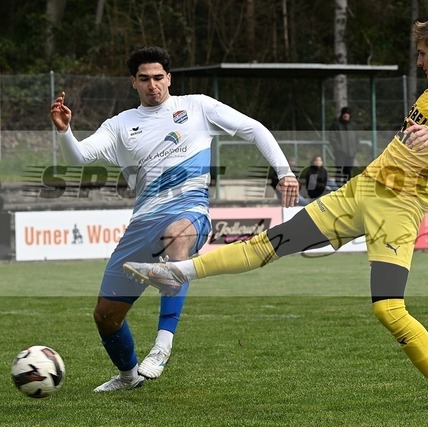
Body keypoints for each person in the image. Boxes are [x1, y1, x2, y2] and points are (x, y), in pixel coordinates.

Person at [123, 14, 428, 413]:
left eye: (423, 54)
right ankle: (177, 272)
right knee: (268, 243)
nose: (419, 62)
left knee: (388, 308)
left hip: (397, 211)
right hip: (360, 191)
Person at [50, 46, 299, 392]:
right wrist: (65, 131)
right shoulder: (120, 125)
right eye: (144, 79)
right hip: (142, 224)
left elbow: (254, 128)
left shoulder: (198, 107)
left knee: (176, 239)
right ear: (133, 82)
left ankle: (162, 346)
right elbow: (79, 158)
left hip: (189, 210)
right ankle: (128, 377)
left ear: (169, 78)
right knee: (106, 316)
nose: (152, 85)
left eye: (158, 77)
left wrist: (284, 171)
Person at [329, 106, 359, 185]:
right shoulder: (336, 125)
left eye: (348, 114)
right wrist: (339, 148)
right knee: (339, 170)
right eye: (344, 113)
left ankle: (348, 188)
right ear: (342, 115)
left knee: (348, 171)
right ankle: (338, 187)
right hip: (340, 154)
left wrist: (355, 149)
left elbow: (357, 138)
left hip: (350, 153)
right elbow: (332, 138)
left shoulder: (353, 126)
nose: (346, 115)